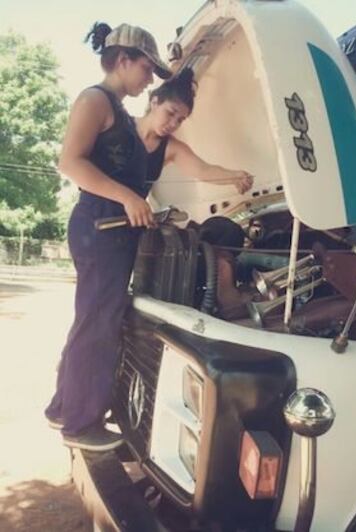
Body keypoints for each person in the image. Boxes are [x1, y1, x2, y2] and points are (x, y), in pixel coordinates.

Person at [45, 23, 253, 452]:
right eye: (146, 69)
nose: (148, 80)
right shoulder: (94, 100)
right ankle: (81, 425)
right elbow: (70, 162)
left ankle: (64, 408)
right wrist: (127, 197)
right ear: (123, 60)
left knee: (94, 318)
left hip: (116, 231)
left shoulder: (119, 112)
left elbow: (197, 168)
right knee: (99, 322)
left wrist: (233, 175)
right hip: (99, 225)